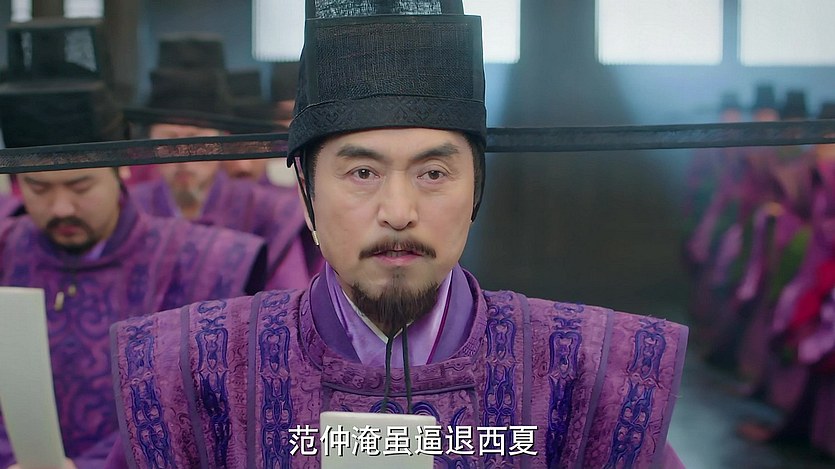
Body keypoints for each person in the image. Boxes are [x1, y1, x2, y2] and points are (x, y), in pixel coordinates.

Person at [105, 2, 688, 467]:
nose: (399, 211)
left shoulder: (587, 376)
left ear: (476, 190)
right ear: (305, 194)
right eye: (362, 173)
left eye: (433, 173)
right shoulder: (193, 371)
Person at [0, 20, 271, 469]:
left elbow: (216, 405)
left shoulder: (202, 260)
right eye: (39, 188)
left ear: (122, 167)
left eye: (81, 186)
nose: (61, 207)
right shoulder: (6, 249)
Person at [127, 34, 324, 289]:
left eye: (195, 139)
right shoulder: (132, 209)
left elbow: (289, 295)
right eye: (168, 139)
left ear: (222, 140)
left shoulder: (268, 212)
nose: (182, 157)